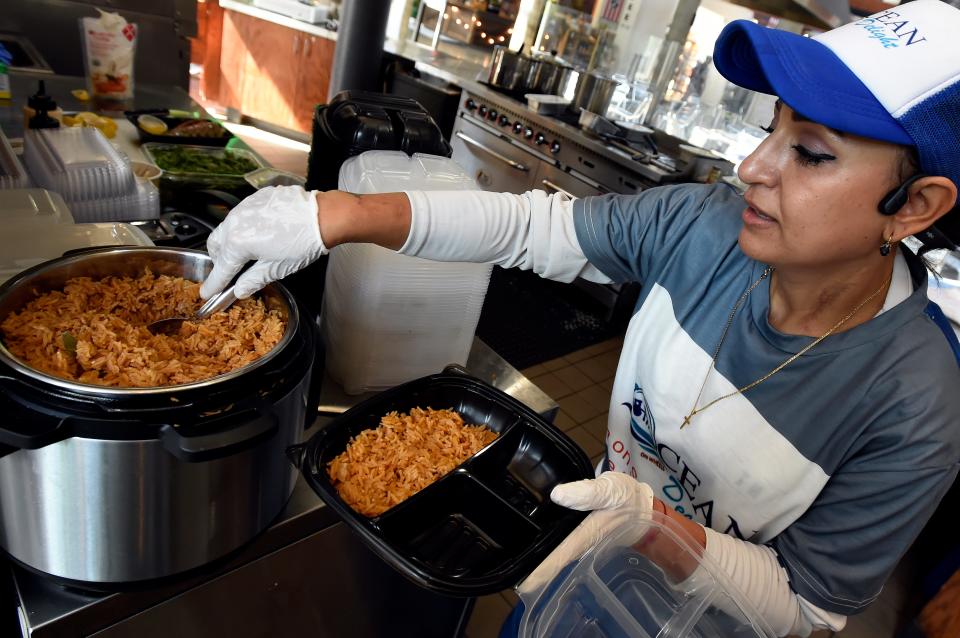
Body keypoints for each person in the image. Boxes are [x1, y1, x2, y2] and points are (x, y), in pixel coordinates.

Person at [199, 1, 960, 634]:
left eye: (813, 154)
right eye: (773, 128)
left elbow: (805, 606)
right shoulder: (703, 226)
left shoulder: (917, 400)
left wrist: (655, 526)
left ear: (916, 205)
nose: (753, 167)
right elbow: (531, 229)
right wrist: (335, 212)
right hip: (572, 575)